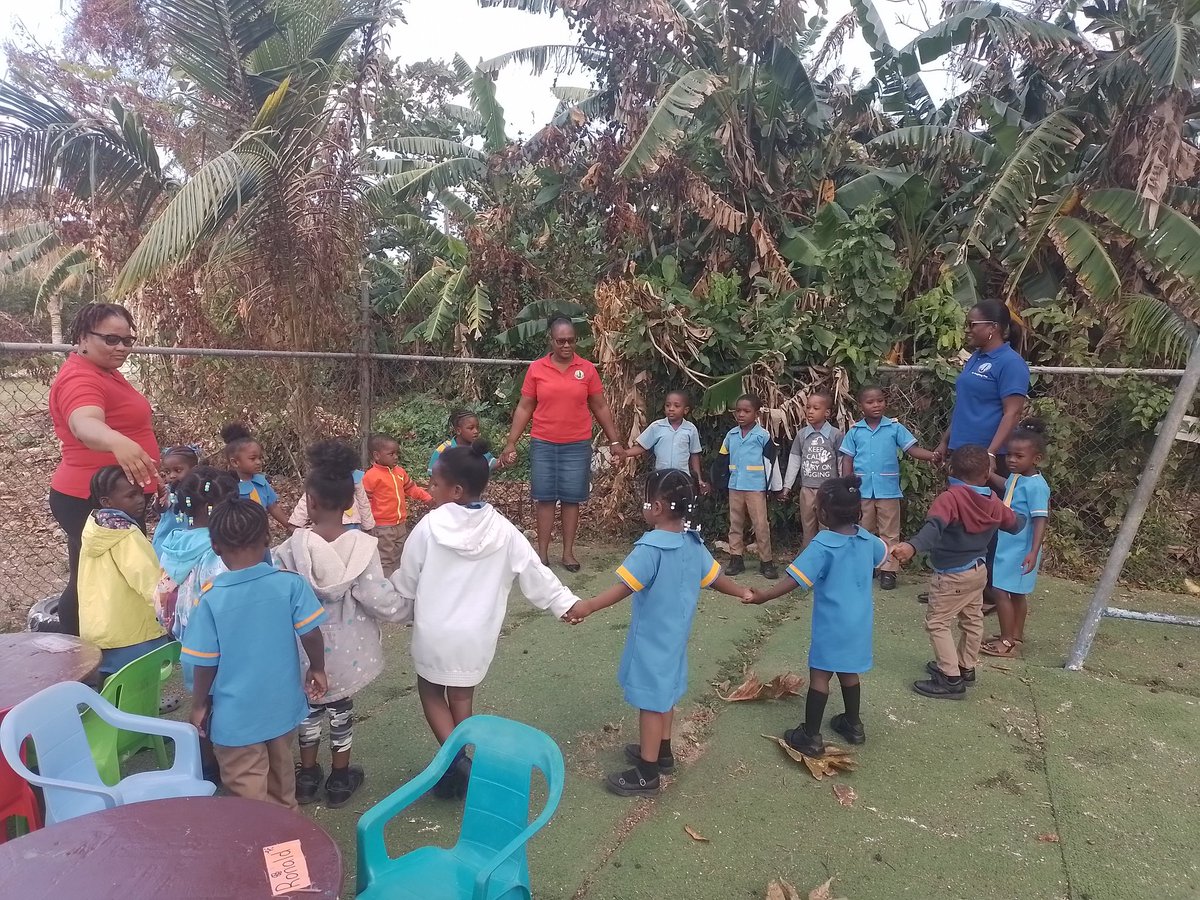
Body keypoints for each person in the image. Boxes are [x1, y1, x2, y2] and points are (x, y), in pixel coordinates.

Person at [392, 438, 580, 799]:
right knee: (462, 697)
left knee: (430, 690)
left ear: (456, 490)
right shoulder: (504, 530)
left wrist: (388, 603)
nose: (429, 488)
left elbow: (407, 579)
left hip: (435, 633)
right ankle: (460, 760)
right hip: (476, 637)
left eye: (434, 482)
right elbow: (534, 572)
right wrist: (564, 603)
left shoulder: (430, 527)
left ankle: (456, 763)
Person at [564, 470, 751, 796]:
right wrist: (741, 591)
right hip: (676, 638)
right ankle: (662, 752)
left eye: (646, 500)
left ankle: (647, 773)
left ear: (660, 507)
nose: (643, 505)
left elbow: (624, 587)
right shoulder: (692, 544)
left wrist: (589, 605)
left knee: (651, 702)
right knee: (665, 694)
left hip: (652, 640)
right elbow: (715, 578)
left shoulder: (651, 548)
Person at [274, 440, 411, 809]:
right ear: (350, 501)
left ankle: (306, 776)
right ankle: (339, 778)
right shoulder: (362, 548)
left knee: (308, 708)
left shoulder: (290, 549)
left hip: (305, 650)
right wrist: (409, 610)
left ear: (310, 502)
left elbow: (276, 594)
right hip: (348, 653)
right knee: (340, 710)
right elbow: (376, 596)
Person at [184, 498, 328, 809]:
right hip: (281, 709)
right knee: (281, 785)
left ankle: (263, 852)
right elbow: (311, 633)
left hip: (235, 721)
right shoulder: (290, 585)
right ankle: (289, 849)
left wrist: (198, 704)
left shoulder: (210, 599)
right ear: (267, 538)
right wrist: (318, 669)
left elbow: (205, 662)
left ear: (216, 547)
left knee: (251, 803)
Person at [745, 476, 886, 757]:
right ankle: (853, 725)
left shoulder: (822, 545)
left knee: (820, 675)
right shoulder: (867, 539)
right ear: (858, 512)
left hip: (831, 625)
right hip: (859, 624)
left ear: (821, 513)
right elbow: (884, 555)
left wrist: (764, 595)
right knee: (849, 671)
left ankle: (810, 736)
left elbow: (794, 580)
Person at [48, 303, 159, 636]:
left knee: (93, 574)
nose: (122, 348)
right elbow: (84, 423)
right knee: (93, 578)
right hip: (93, 499)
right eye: (111, 339)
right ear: (83, 337)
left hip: (119, 496)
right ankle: (76, 650)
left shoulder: (105, 372)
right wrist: (117, 442)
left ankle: (89, 645)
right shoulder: (80, 377)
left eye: (128, 340)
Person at [892, 446, 1024, 700]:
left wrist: (912, 546)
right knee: (972, 619)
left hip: (952, 574)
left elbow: (934, 528)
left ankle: (950, 677)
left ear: (952, 470)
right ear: (987, 475)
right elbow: (1014, 524)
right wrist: (1027, 516)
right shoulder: (992, 501)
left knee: (938, 623)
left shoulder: (950, 498)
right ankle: (966, 667)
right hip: (978, 571)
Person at [500, 315, 625, 572]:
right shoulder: (536, 369)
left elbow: (600, 406)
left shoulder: (587, 369)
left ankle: (568, 554)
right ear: (551, 341)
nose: (566, 346)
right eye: (561, 341)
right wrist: (511, 442)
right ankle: (542, 554)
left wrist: (614, 440)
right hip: (544, 443)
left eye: (571, 341)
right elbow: (525, 407)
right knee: (544, 498)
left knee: (571, 499)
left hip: (576, 445)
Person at [154, 466, 237, 774]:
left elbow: (161, 599)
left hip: (188, 643)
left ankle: (206, 762)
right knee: (221, 702)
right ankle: (231, 762)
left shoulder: (173, 544)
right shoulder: (219, 553)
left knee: (202, 700)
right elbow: (226, 606)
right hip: (219, 644)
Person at [839, 385, 940, 591]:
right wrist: (848, 485)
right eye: (870, 402)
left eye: (880, 401)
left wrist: (932, 455)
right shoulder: (855, 431)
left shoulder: (894, 428)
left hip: (888, 490)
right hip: (863, 491)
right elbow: (847, 459)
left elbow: (912, 449)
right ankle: (866, 567)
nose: (876, 405)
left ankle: (888, 571)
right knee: (863, 531)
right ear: (861, 406)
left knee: (889, 532)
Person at [78, 466, 172, 678]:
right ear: (106, 502)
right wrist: (168, 607)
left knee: (112, 680)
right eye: (131, 495)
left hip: (102, 628)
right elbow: (147, 579)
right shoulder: (126, 535)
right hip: (134, 632)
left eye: (140, 493)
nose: (140, 499)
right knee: (140, 678)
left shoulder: (95, 527)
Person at [936, 299, 1031, 475]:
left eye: (972, 325)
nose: (967, 330)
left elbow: (1012, 413)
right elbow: (965, 406)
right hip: (961, 451)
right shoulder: (976, 357)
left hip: (987, 456)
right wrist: (945, 441)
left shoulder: (1011, 363)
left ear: (992, 328)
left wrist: (991, 452)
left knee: (986, 502)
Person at [981, 420, 1051, 658]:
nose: (1011, 460)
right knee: (1017, 592)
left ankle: (1007, 640)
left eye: (1018, 456)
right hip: (1007, 545)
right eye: (1009, 455)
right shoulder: (1018, 478)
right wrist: (990, 476)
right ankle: (1015, 635)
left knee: (1000, 591)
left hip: (1021, 549)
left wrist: (1033, 551)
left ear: (1036, 459)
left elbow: (1041, 519)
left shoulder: (1037, 487)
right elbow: (1007, 485)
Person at [718, 394, 783, 579]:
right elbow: (723, 459)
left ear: (756, 413)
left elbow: (772, 462)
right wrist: (719, 481)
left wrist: (776, 488)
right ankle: (736, 559)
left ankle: (767, 562)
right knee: (735, 524)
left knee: (761, 524)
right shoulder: (731, 435)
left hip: (756, 487)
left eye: (746, 411)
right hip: (735, 486)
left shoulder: (762, 436)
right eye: (738, 411)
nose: (741, 414)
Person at [780, 389, 843, 550]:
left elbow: (842, 461)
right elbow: (794, 461)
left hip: (828, 490)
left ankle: (828, 558)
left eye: (816, 408)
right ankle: (807, 562)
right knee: (807, 526)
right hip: (807, 489)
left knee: (827, 526)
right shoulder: (802, 435)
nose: (810, 411)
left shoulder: (835, 435)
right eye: (808, 407)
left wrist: (843, 486)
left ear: (827, 413)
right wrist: (787, 487)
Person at [362, 432, 432, 576]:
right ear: (376, 455)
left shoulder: (400, 472)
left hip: (400, 524)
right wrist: (367, 524)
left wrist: (427, 498)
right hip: (382, 527)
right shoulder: (371, 476)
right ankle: (385, 585)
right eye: (391, 454)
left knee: (400, 554)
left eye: (396, 453)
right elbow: (365, 501)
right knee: (385, 558)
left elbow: (411, 488)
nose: (396, 457)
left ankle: (397, 581)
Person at [619, 390, 710, 493]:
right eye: (667, 405)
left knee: (681, 506)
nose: (671, 409)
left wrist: (698, 479)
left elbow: (694, 454)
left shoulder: (690, 429)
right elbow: (642, 446)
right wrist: (625, 453)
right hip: (661, 478)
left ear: (686, 410)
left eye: (676, 406)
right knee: (662, 504)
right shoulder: (657, 427)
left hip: (683, 478)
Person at [220, 422, 291, 530]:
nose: (258, 462)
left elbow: (273, 507)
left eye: (260, 458)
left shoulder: (261, 482)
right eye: (252, 459)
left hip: (261, 536)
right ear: (235, 462)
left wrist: (289, 526)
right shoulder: (229, 488)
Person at [153, 445, 200, 552]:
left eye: (178, 470)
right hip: (167, 543)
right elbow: (161, 508)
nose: (172, 476)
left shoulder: (201, 490)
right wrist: (160, 498)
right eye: (168, 472)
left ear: (195, 469)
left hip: (192, 542)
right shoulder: (169, 491)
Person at [429, 409, 497, 475]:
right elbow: (433, 474)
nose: (476, 431)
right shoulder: (444, 449)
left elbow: (491, 463)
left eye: (477, 427)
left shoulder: (478, 448)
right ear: (458, 430)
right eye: (471, 428)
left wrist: (504, 459)